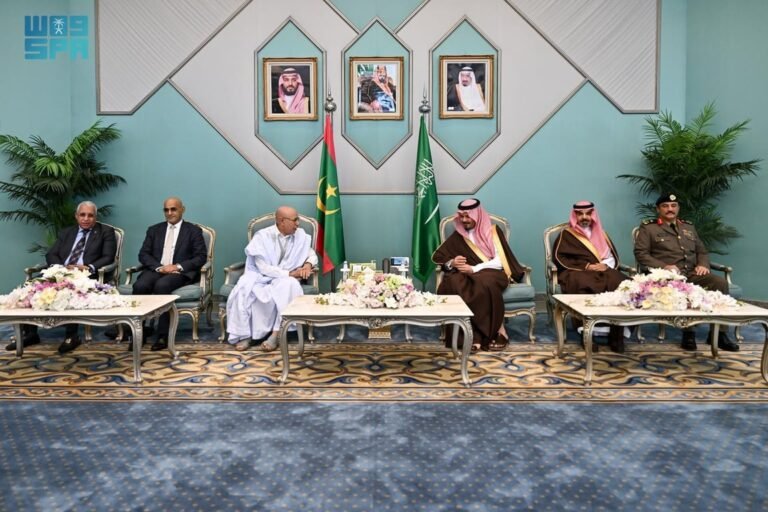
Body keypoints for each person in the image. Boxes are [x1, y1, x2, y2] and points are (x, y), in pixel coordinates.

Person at [5, 201, 116, 355]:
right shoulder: (67, 232)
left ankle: (71, 336)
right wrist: (61, 269)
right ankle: (30, 334)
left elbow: (108, 257)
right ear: (76, 216)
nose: (86, 218)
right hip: (61, 271)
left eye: (90, 215)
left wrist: (88, 267)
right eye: (82, 215)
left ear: (95, 217)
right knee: (30, 286)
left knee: (71, 288)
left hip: (86, 273)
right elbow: (51, 254)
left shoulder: (106, 232)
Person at [634, 193, 739, 351]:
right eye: (665, 206)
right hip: (668, 277)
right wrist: (664, 266)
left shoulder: (688, 227)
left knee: (720, 283)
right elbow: (641, 253)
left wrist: (703, 264)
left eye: (673, 206)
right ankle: (689, 334)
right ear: (658, 209)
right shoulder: (649, 228)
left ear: (678, 208)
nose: (670, 209)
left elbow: (701, 251)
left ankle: (719, 334)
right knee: (685, 289)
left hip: (691, 273)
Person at [432, 198, 525, 352]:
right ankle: (471, 336)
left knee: (483, 283)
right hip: (467, 274)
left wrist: (474, 269)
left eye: (468, 216)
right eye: (461, 216)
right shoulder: (459, 235)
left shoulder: (493, 231)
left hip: (493, 272)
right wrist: (453, 262)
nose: (464, 220)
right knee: (453, 283)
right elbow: (439, 256)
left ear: (477, 215)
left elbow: (500, 261)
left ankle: (499, 331)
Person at [225, 206, 318, 352]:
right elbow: (263, 268)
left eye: (298, 219)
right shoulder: (262, 236)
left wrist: (307, 265)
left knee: (289, 285)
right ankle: (248, 335)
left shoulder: (300, 235)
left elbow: (311, 254)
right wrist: (290, 273)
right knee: (247, 289)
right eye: (295, 220)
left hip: (284, 279)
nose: (298, 224)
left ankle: (276, 334)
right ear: (281, 221)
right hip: (261, 277)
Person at [552, 201, 630, 353]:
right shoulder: (566, 234)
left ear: (593, 215)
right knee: (583, 283)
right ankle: (587, 335)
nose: (584, 217)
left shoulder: (602, 233)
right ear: (575, 216)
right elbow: (559, 258)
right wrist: (586, 266)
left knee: (622, 283)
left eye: (588, 213)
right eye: (580, 214)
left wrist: (604, 265)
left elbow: (611, 257)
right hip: (578, 271)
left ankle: (616, 335)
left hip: (603, 271)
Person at [132, 197, 207, 351]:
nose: (170, 213)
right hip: (157, 269)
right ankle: (139, 332)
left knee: (162, 285)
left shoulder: (193, 231)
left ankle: (163, 335)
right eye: (166, 210)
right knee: (140, 285)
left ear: (182, 209)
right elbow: (143, 254)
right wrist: (159, 267)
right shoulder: (154, 230)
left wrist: (177, 266)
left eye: (173, 209)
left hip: (178, 272)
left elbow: (200, 257)